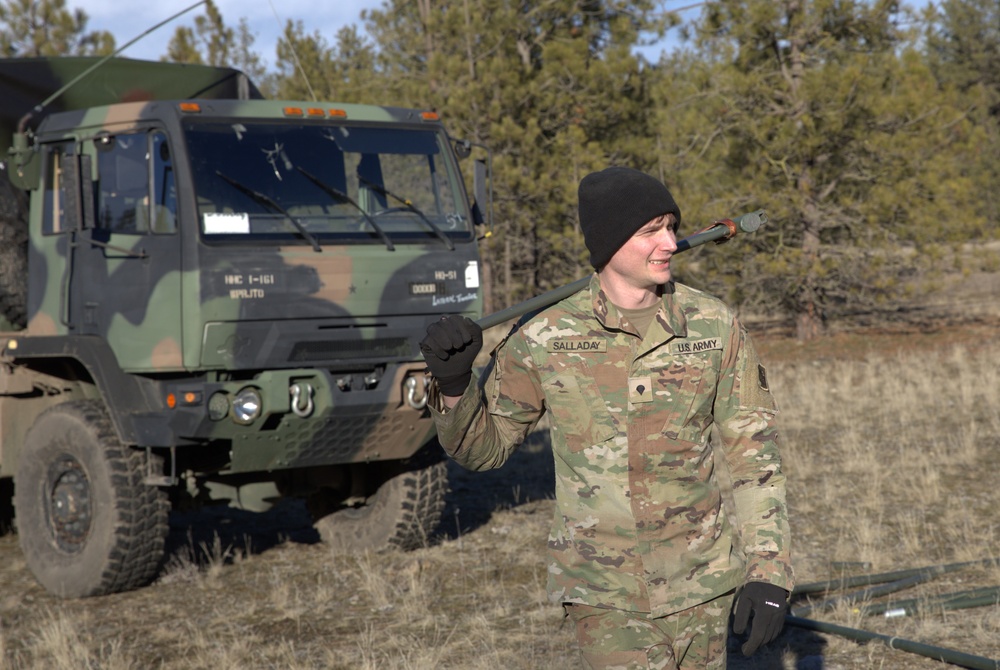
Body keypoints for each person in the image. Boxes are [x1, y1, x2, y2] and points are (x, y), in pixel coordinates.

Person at [420, 166, 793, 669]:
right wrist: (454, 384)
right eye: (650, 232)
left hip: (705, 584)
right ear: (609, 243)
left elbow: (755, 457)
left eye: (671, 226)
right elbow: (484, 451)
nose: (670, 243)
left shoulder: (713, 326)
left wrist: (770, 572)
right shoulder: (545, 337)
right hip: (604, 593)